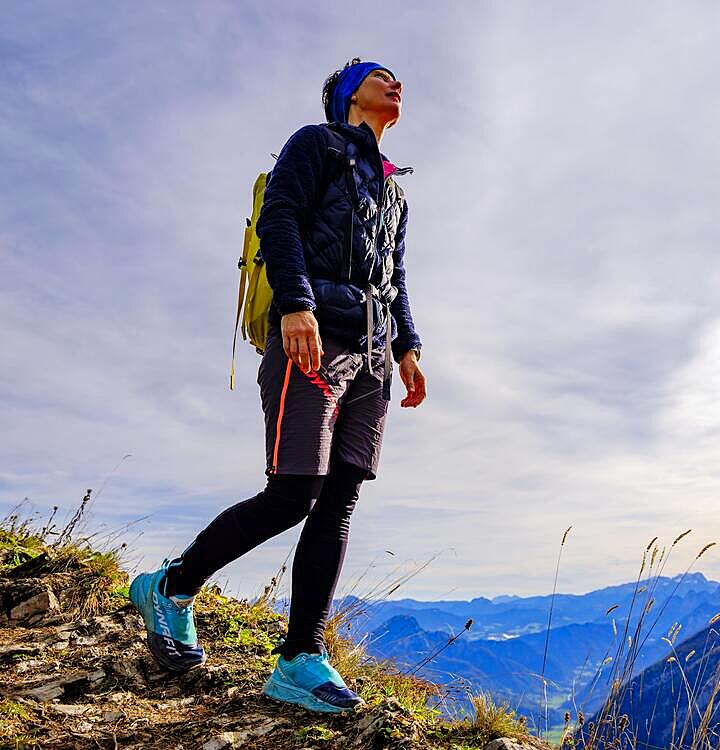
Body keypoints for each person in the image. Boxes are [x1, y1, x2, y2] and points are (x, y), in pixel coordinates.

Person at [128, 57, 427, 714]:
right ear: (348, 96)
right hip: (314, 335)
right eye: (380, 76)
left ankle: (299, 658)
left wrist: (408, 348)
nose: (395, 82)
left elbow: (395, 278)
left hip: (373, 355)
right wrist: (295, 304)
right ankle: (173, 587)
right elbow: (281, 219)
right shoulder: (313, 144)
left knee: (340, 500)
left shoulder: (395, 191)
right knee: (295, 491)